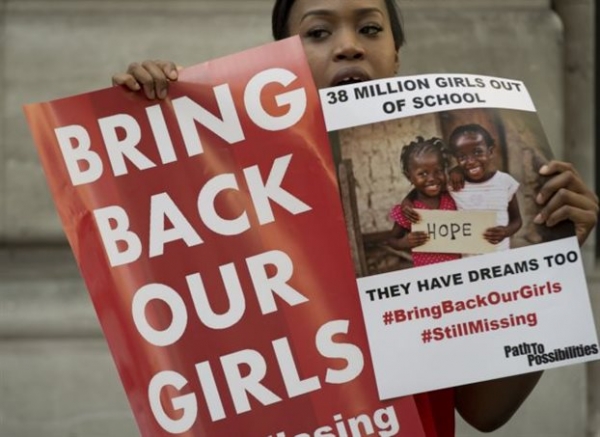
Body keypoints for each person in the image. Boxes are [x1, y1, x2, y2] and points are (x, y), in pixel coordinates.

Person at [111, 0, 599, 434]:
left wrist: (551, 257)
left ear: (395, 55)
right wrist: (145, 117)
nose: (348, 46)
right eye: (318, 32)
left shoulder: (454, 220)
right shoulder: (228, 197)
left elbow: (485, 411)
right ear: (278, 61)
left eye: (369, 28)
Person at [388, 136, 462, 266]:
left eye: (438, 171)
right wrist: (404, 242)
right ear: (409, 176)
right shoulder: (409, 211)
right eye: (423, 174)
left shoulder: (452, 197)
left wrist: (457, 171)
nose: (432, 178)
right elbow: (391, 240)